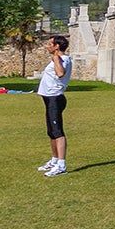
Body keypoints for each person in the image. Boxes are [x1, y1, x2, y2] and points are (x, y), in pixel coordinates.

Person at [37, 35, 72, 177]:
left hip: (55, 99)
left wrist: (56, 59)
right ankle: (54, 160)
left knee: (57, 132)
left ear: (57, 46)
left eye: (50, 43)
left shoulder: (62, 59)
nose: (47, 46)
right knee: (51, 131)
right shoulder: (59, 59)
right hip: (49, 98)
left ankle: (61, 165)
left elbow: (60, 73)